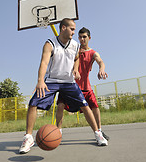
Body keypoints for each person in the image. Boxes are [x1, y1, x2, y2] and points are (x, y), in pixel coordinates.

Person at [19, 19, 108, 154]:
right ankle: (28, 138)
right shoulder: (50, 44)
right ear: (63, 28)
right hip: (52, 81)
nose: (74, 32)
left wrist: (76, 69)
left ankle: (97, 133)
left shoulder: (75, 45)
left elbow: (76, 58)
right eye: (72, 29)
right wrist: (40, 81)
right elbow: (44, 63)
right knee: (33, 103)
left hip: (69, 82)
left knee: (85, 105)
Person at [56, 27, 109, 141]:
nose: (82, 39)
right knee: (60, 106)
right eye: (80, 37)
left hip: (85, 87)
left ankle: (98, 131)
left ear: (89, 38)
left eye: (84, 37)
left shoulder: (93, 53)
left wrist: (102, 69)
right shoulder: (74, 50)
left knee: (94, 107)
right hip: (69, 85)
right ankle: (58, 132)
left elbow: (100, 61)